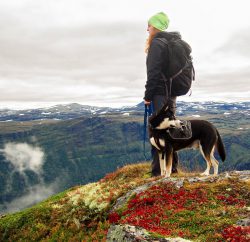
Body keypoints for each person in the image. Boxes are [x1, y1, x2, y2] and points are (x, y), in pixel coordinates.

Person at [144, 12, 180, 176]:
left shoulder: (157, 44)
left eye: (149, 25)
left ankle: (158, 172)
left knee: (158, 132)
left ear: (156, 27)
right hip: (170, 93)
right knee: (170, 130)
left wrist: (147, 96)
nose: (147, 28)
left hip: (159, 93)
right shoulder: (169, 43)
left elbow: (153, 73)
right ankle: (171, 169)